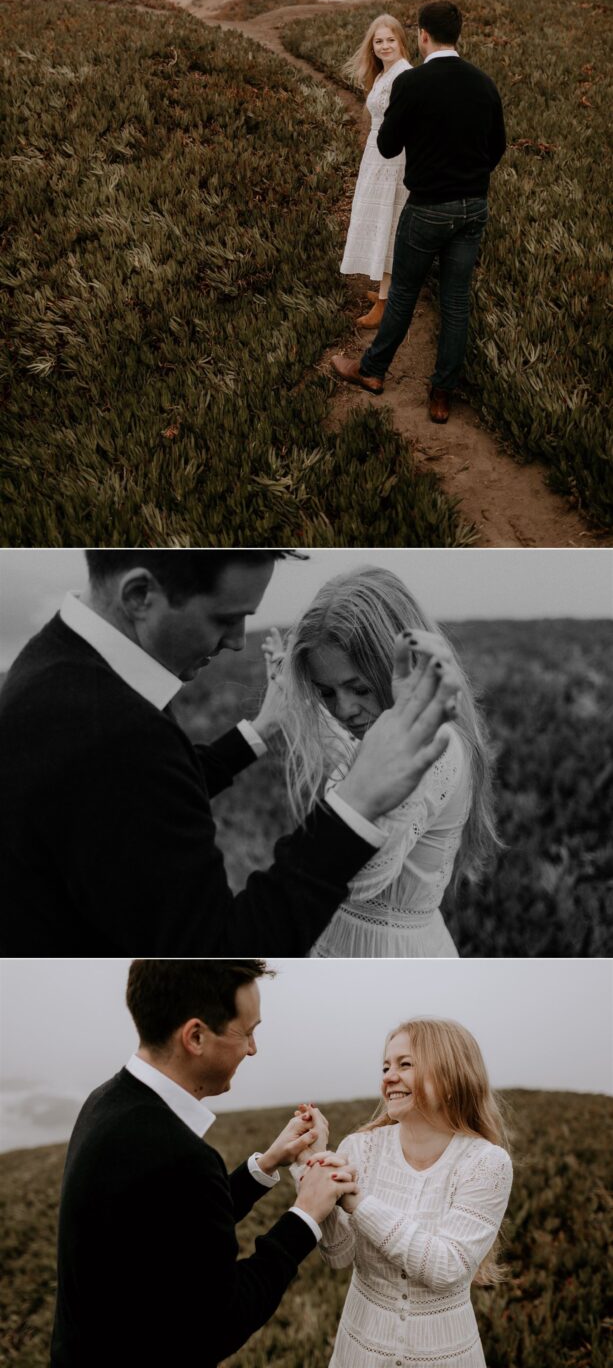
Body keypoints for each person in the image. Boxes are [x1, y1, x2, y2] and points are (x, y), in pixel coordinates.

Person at [0, 548, 457, 952]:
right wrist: (358, 800)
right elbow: (220, 947)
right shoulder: (112, 729)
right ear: (140, 595)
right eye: (224, 618)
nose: (238, 639)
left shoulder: (58, 664)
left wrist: (259, 730)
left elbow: (134, 800)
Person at [50, 957, 357, 1368]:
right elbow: (219, 1323)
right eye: (247, 1032)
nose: (253, 1048)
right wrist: (305, 1214)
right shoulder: (181, 1157)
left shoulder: (106, 1101)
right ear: (195, 1036)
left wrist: (266, 1164)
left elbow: (173, 1233)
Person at [254, 565, 496, 956]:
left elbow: (363, 878)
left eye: (359, 688)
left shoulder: (437, 745)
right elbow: (343, 746)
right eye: (326, 693)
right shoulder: (377, 729)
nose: (344, 711)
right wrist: (292, 696)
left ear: (395, 665)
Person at [295, 1016, 513, 1367]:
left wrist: (358, 1203)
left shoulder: (487, 1162)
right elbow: (337, 1255)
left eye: (404, 1064)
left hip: (446, 1356)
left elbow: (447, 1267)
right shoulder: (360, 1148)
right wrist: (314, 1162)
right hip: (358, 1352)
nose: (388, 1077)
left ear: (450, 1075)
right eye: (385, 1066)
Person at [331, 1, 506, 422]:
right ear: (457, 35)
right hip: (473, 206)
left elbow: (389, 146)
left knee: (405, 293)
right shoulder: (483, 83)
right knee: (456, 301)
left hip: (428, 206)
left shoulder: (413, 83)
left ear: (423, 36)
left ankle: (371, 372)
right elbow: (497, 146)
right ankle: (441, 395)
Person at [341, 13, 412, 330]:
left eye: (390, 40)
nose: (384, 46)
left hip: (394, 158)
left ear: (402, 42)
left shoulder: (404, 75)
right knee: (379, 220)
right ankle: (386, 290)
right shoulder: (384, 74)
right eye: (379, 41)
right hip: (377, 153)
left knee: (389, 223)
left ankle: (386, 301)